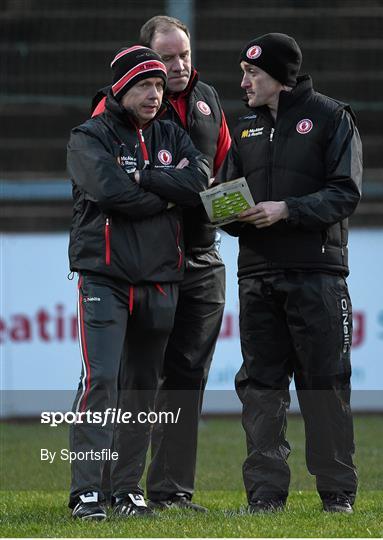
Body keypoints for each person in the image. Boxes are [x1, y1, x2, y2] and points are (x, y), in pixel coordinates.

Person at [215, 33, 362, 514]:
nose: (244, 83)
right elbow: (231, 194)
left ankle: (337, 494)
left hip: (317, 273)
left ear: (279, 78)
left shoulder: (331, 117)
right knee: (260, 388)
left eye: (252, 74)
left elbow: (345, 193)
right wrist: (224, 209)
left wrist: (287, 209)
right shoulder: (244, 128)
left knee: (324, 384)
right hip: (256, 274)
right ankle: (264, 496)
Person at [92, 15, 230, 513]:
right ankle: (104, 486)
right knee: (122, 376)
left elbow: (217, 175)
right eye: (166, 57)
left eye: (184, 55)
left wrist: (229, 208)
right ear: (143, 57)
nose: (177, 66)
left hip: (201, 257)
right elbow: (119, 184)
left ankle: (171, 490)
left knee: (187, 378)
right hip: (144, 264)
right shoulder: (115, 108)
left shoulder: (208, 100)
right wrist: (178, 186)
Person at [67, 45, 209, 520]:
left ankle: (127, 490)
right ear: (122, 87)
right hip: (104, 277)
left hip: (161, 280)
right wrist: (167, 193)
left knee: (142, 390)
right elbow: (111, 192)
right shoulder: (88, 136)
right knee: (102, 380)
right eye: (144, 84)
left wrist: (147, 177)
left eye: (157, 84)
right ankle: (86, 492)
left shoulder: (173, 131)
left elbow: (199, 183)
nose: (155, 92)